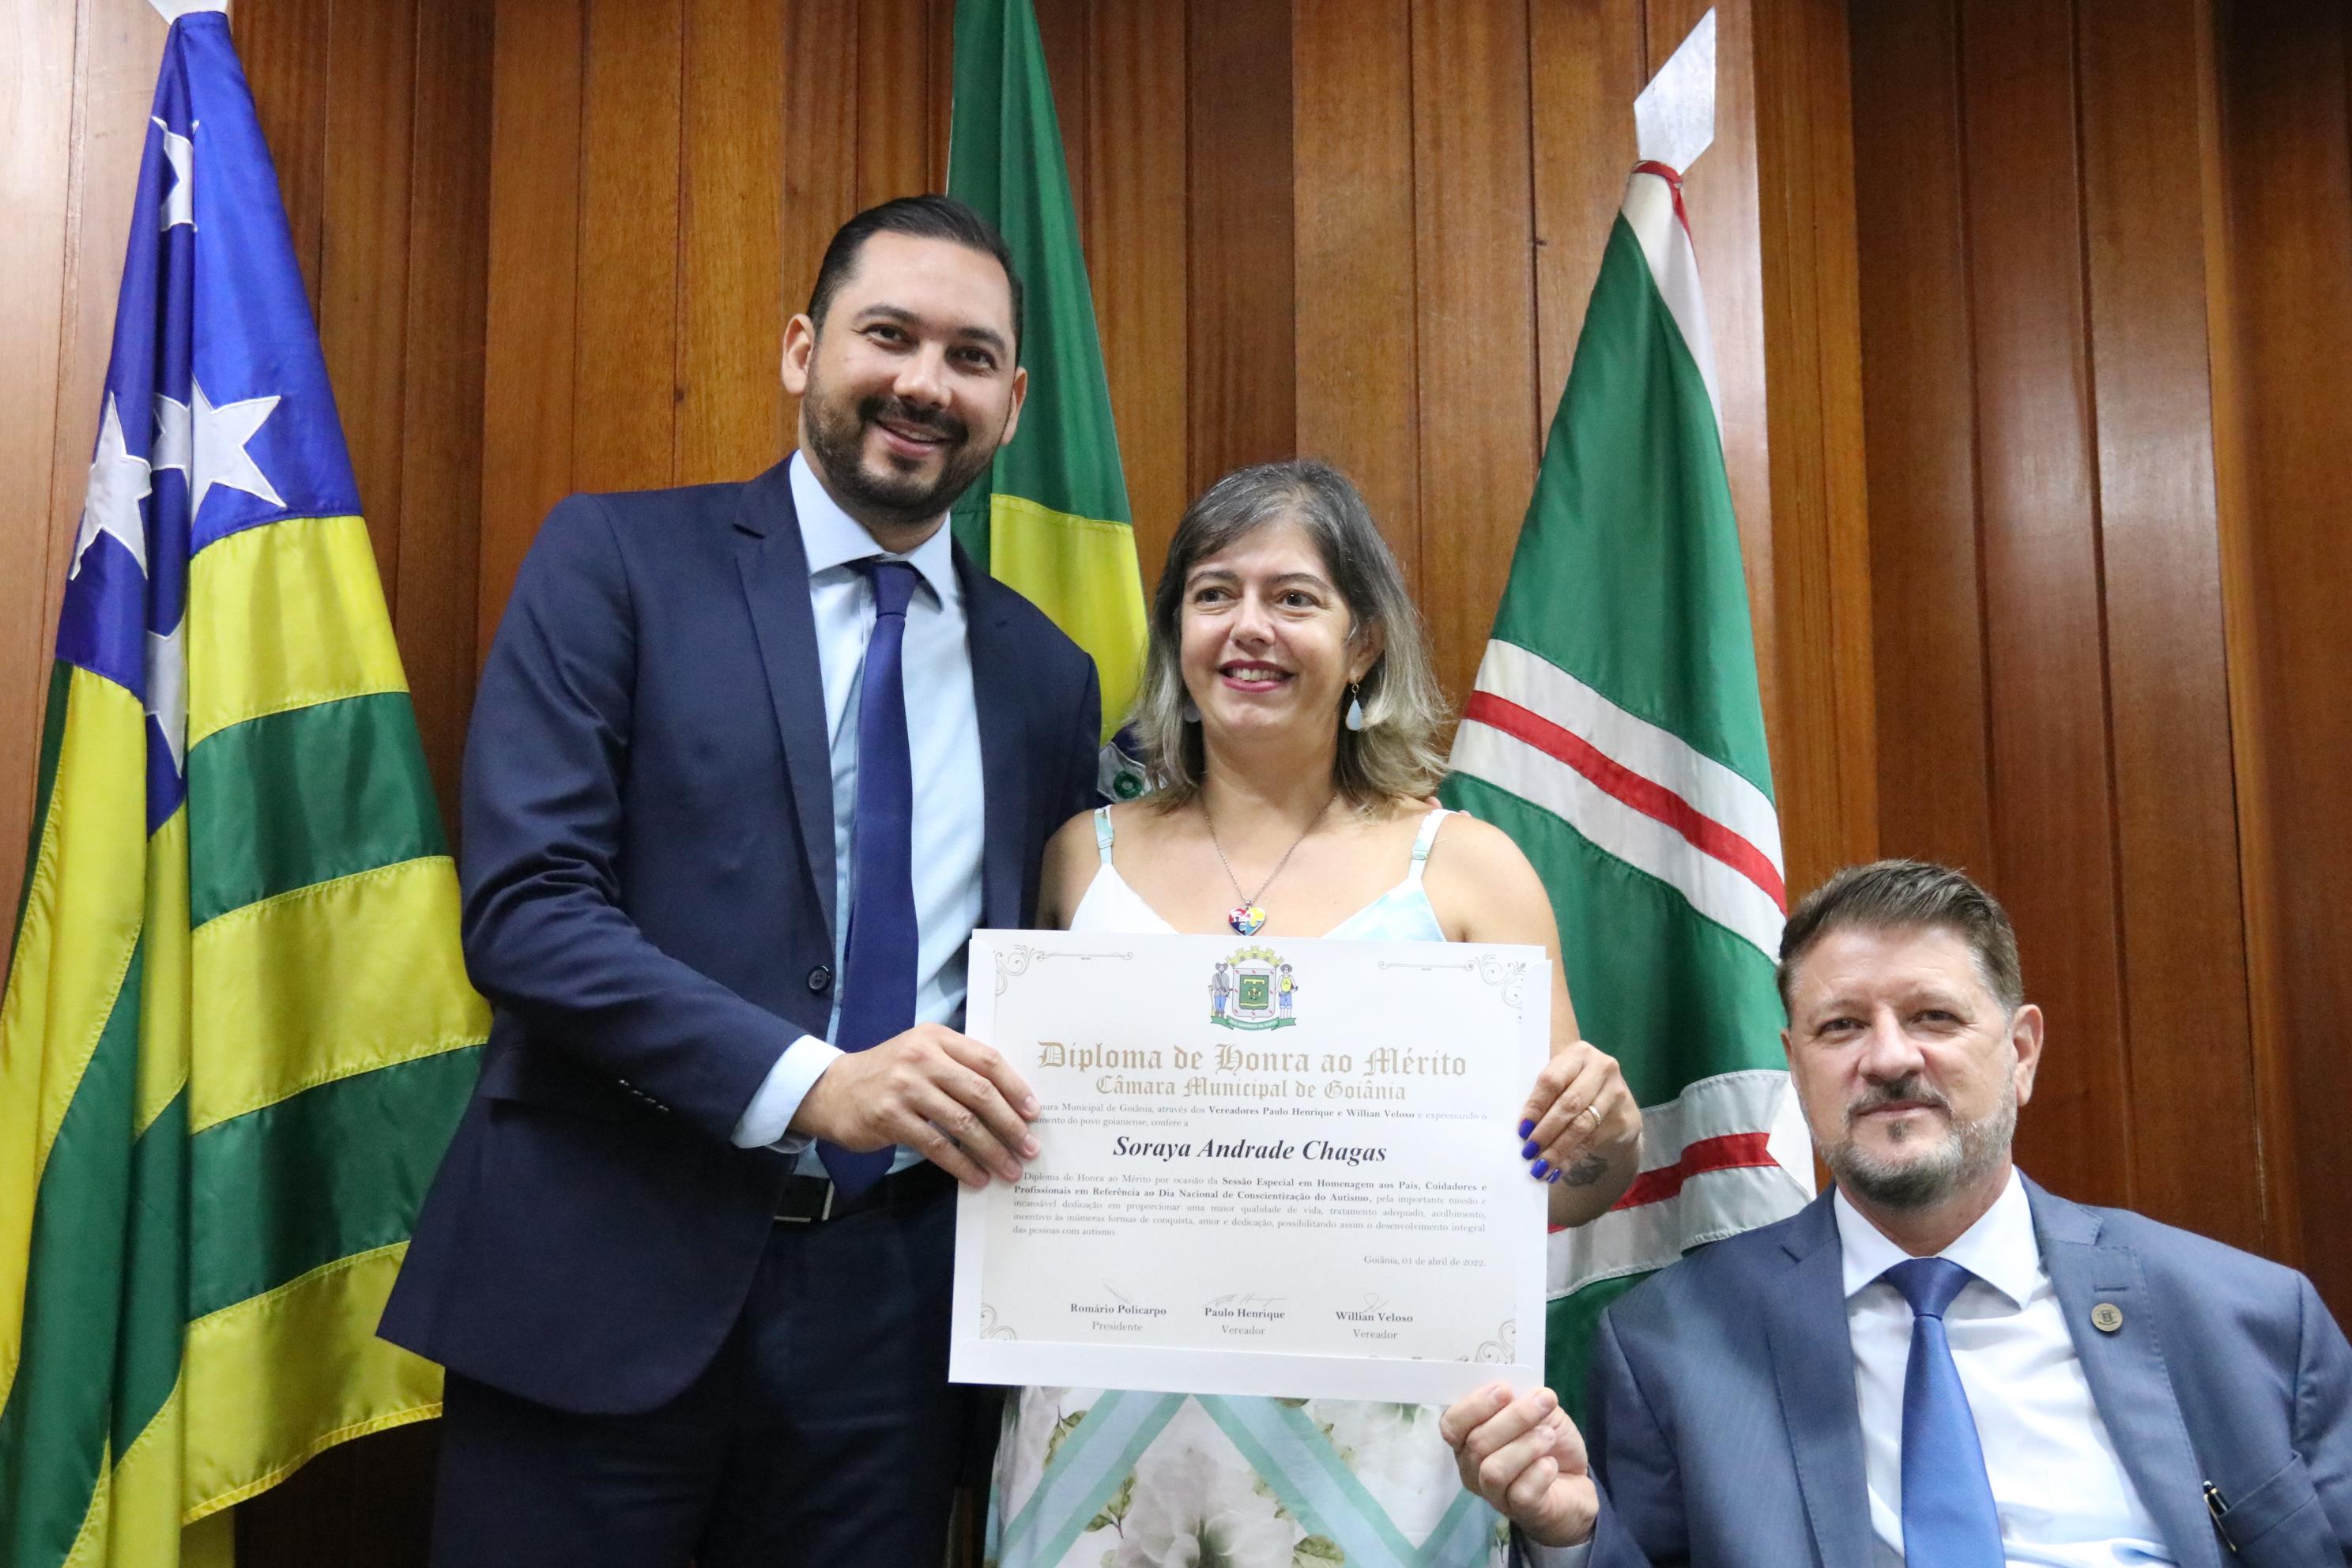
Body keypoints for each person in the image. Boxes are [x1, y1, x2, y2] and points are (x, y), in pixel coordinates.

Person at [378, 195, 1101, 1567]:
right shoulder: (615, 560)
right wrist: (812, 1083)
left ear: (1010, 404)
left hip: (894, 1335)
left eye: (969, 357)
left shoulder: (1046, 675)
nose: (923, 383)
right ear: (800, 350)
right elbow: (528, 909)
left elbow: (1081, 968)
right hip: (601, 1282)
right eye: (888, 335)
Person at [986, 459, 1645, 1568]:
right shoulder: (1076, 859)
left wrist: (1606, 1133)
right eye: (1215, 593)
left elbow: (1568, 1183)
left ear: (1364, 641)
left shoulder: (1468, 871)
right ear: (1178, 633)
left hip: (1375, 1451)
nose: (1249, 627)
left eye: (1294, 597)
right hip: (1105, 1436)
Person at [1442, 859, 2352, 1566]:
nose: (1888, 1059)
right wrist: (1570, 1536)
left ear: (2022, 1051)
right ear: (1796, 1065)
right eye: (1842, 1026)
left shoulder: (2251, 1320)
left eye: (1933, 1017)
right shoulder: (1672, 1344)